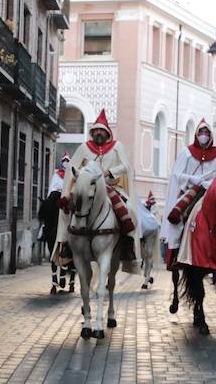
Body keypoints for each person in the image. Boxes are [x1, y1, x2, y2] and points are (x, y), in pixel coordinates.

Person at [59, 109, 140, 271]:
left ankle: (127, 246)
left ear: (107, 133)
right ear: (92, 132)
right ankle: (67, 244)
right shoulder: (84, 147)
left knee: (129, 209)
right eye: (95, 130)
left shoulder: (117, 147)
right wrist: (80, 177)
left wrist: (109, 172)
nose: (98, 133)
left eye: (101, 130)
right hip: (87, 187)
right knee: (70, 208)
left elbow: (126, 166)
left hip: (110, 186)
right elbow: (73, 167)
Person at [163, 118, 216, 264]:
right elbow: (176, 174)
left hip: (210, 192)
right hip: (190, 191)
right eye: (201, 132)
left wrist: (209, 183)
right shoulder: (187, 152)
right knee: (177, 215)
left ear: (210, 136)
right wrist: (192, 179)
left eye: (206, 133)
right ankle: (176, 249)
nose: (204, 135)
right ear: (196, 135)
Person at [137, 193, 161, 289]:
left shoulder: (155, 206)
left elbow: (156, 215)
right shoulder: (146, 204)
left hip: (151, 225)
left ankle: (147, 276)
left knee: (149, 252)